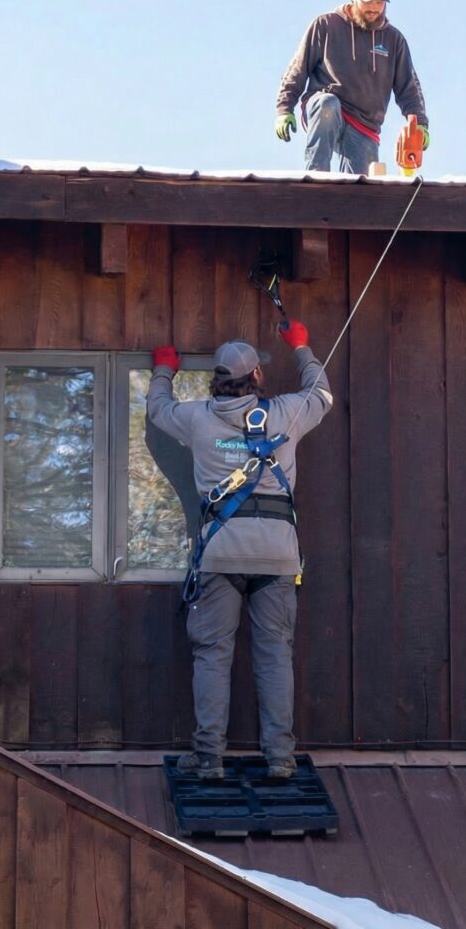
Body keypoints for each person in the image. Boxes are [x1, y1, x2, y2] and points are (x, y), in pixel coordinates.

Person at [147, 322, 333, 780]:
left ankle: (209, 758)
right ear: (256, 379)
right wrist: (302, 346)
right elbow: (322, 393)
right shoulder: (285, 413)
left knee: (213, 655)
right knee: (274, 655)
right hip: (277, 556)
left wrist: (164, 370)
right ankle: (280, 758)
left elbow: (157, 410)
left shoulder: (195, 419)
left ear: (216, 379)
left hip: (220, 554)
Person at [275, 0, 430, 174]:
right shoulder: (326, 25)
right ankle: (316, 179)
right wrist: (285, 108)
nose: (374, 8)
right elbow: (298, 67)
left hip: (364, 123)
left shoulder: (393, 41)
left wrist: (419, 123)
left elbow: (408, 87)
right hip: (326, 109)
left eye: (379, 2)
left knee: (363, 190)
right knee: (328, 104)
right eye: (368, 2)